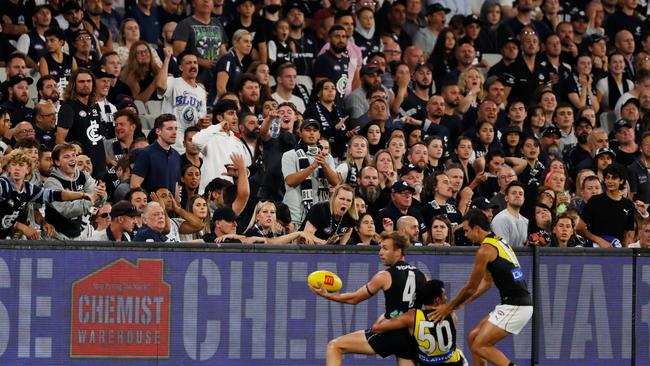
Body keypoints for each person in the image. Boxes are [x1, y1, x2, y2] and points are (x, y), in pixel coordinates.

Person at [431, 208, 532, 366]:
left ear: (476, 229)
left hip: (516, 306)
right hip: (512, 304)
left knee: (480, 345)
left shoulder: (485, 250)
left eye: (466, 230)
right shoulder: (497, 241)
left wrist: (449, 307)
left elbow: (471, 287)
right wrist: (461, 303)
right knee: (473, 337)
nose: (465, 235)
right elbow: (487, 282)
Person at [310, 231, 427, 365]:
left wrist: (327, 295)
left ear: (398, 251)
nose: (380, 253)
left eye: (385, 248)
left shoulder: (384, 276)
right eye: (380, 248)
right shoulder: (423, 276)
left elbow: (354, 299)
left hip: (388, 332)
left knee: (334, 346)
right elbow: (429, 308)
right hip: (410, 336)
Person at [371, 279, 468, 366]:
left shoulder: (411, 317)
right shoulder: (451, 314)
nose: (446, 298)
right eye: (444, 295)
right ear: (437, 300)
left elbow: (376, 328)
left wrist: (388, 314)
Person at [0, 149, 92, 240]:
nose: (17, 168)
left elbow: (55, 195)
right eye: (13, 164)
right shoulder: (2, 185)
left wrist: (83, 195)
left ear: (28, 169)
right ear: (8, 168)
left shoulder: (29, 188)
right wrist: (21, 226)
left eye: (21, 165)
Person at [156, 49, 207, 152]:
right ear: (181, 67)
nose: (193, 65)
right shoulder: (173, 82)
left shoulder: (201, 92)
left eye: (195, 63)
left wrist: (202, 122)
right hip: (171, 142)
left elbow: (200, 120)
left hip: (190, 144)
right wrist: (167, 58)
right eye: (189, 63)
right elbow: (160, 84)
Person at [577, 163, 637, 247]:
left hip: (617, 252)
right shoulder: (595, 201)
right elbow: (579, 228)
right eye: (607, 177)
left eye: (614, 178)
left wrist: (624, 253)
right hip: (596, 250)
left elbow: (627, 234)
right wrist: (599, 241)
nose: (610, 181)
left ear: (621, 180)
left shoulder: (628, 205)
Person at [130, 113, 181, 196]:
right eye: (170, 129)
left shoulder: (176, 155)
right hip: (152, 207)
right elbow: (134, 185)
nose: (174, 132)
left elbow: (175, 186)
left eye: (176, 129)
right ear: (158, 131)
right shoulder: (145, 154)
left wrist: (177, 207)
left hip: (170, 208)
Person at [491, 181, 529, 247]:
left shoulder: (526, 221)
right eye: (513, 193)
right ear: (506, 198)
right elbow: (502, 249)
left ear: (524, 199)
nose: (517, 195)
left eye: (521, 194)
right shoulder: (501, 219)